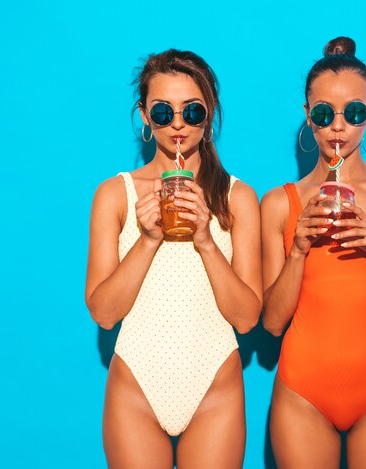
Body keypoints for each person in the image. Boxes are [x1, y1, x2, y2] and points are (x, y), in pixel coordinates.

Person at [85, 49, 262, 469]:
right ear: (145, 116)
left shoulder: (238, 198)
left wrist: (205, 238)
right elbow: (104, 314)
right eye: (163, 111)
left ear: (209, 113)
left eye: (192, 111)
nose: (178, 123)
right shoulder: (115, 195)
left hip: (214, 388)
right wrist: (147, 240)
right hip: (136, 389)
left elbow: (247, 317)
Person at [261, 37, 366, 468]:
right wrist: (298, 249)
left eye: (353, 112)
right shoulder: (280, 204)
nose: (339, 127)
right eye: (324, 114)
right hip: (302, 395)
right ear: (308, 117)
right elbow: (272, 323)